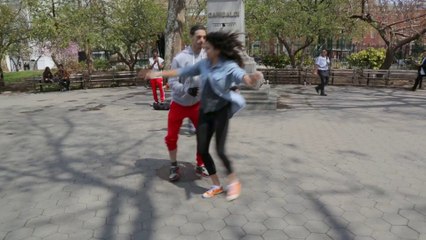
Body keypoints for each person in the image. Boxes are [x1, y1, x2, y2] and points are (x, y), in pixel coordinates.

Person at [147, 31, 263, 201]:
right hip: (204, 112)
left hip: (220, 113)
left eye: (208, 48)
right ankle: (216, 185)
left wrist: (251, 78)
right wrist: (159, 74)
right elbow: (182, 71)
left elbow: (242, 76)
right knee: (202, 150)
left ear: (217, 49)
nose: (205, 50)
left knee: (220, 151)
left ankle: (234, 181)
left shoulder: (229, 66)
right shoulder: (204, 64)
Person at [166, 25, 209, 181]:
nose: (201, 40)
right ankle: (173, 165)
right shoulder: (180, 58)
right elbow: (171, 82)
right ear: (191, 37)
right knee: (171, 137)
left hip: (198, 105)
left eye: (204, 37)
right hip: (178, 104)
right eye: (198, 37)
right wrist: (185, 89)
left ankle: (200, 164)